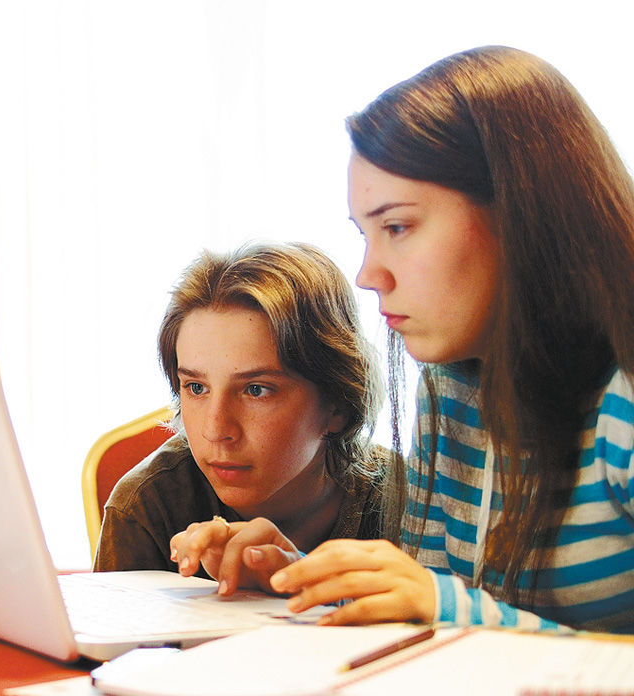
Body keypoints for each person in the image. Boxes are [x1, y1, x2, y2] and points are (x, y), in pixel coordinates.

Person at [179, 45, 634, 633]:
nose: (369, 274)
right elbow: (438, 619)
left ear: (521, 211)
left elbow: (456, 611)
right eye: (366, 235)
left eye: (397, 227)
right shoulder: (451, 388)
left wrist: (442, 604)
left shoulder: (622, 396)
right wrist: (307, 582)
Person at [94, 242, 390, 594]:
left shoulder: (411, 501)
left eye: (256, 390)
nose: (216, 429)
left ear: (337, 405)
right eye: (196, 388)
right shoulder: (146, 505)